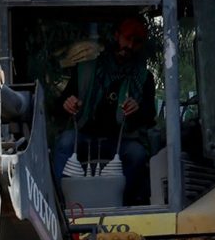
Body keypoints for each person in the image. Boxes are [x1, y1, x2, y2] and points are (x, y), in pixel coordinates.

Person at [55, 16, 160, 202]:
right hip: (85, 136)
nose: (130, 46)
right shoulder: (85, 70)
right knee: (65, 142)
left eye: (136, 42)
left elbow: (149, 116)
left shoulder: (144, 78)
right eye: (127, 38)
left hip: (122, 140)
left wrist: (137, 110)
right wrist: (68, 104)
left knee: (137, 154)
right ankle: (62, 203)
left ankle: (121, 203)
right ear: (116, 36)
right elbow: (59, 106)